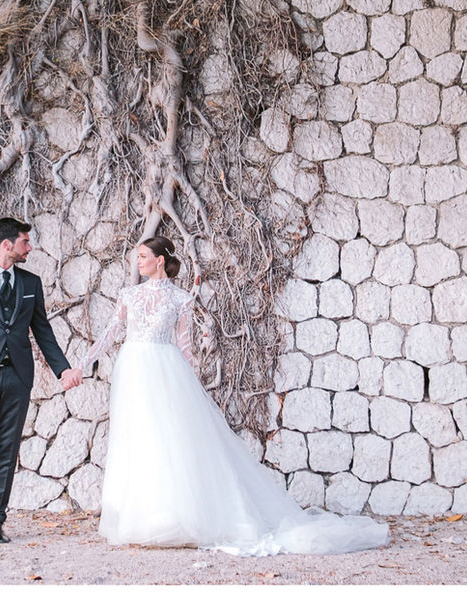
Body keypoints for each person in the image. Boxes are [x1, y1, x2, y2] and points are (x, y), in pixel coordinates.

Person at [81, 236, 390, 555]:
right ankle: (138, 518)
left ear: (160, 260)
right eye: (138, 257)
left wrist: (192, 380)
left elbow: (185, 347)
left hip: (166, 371)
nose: (138, 261)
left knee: (168, 440)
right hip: (132, 369)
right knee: (135, 439)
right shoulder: (128, 295)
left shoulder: (180, 298)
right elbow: (110, 334)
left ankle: (171, 518)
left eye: (144, 256)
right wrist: (81, 365)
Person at [0, 217, 83, 544]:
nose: (30, 247)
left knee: (8, 453)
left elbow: (42, 331)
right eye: (25, 241)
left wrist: (62, 369)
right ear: (7, 245)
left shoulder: (30, 283)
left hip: (18, 378)